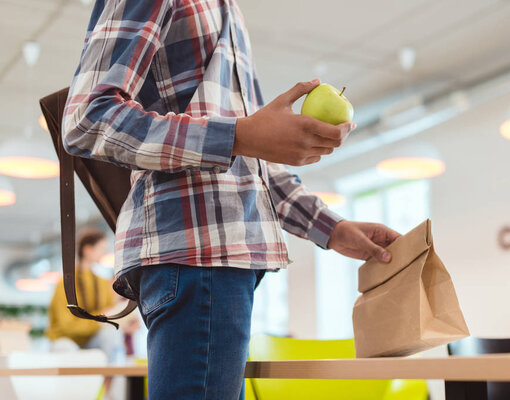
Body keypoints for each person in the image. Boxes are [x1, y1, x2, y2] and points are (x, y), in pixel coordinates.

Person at [61, 1, 401, 399]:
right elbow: (88, 117)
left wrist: (333, 228)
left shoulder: (227, 10)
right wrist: (237, 136)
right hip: (197, 254)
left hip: (219, 260)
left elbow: (249, 158)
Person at [46, 229, 139, 397]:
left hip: (91, 339)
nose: (104, 253)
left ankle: (106, 394)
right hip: (67, 339)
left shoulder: (102, 283)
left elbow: (108, 315)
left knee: (110, 335)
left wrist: (125, 324)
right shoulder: (64, 284)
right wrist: (98, 319)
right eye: (101, 248)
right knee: (65, 348)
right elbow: (67, 326)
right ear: (87, 249)